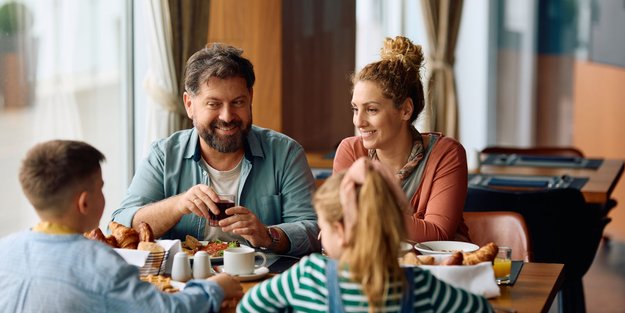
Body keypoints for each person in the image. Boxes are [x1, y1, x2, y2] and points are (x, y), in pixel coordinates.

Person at [113, 43, 319, 256]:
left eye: (238, 102)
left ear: (250, 98)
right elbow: (122, 226)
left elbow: (314, 231)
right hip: (184, 282)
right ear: (189, 104)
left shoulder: (285, 153)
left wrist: (268, 235)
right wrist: (178, 205)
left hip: (266, 281)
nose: (227, 116)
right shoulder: (164, 155)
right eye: (213, 104)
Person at [0, 140, 243, 313]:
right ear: (84, 202)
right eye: (101, 188)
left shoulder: (5, 250)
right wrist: (214, 288)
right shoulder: (99, 263)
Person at [237, 158, 493, 312]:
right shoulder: (422, 285)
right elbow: (481, 309)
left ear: (339, 230)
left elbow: (248, 308)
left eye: (323, 227)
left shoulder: (308, 276)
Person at [333, 36, 469, 242]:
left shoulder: (446, 154)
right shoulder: (350, 151)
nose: (358, 121)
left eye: (371, 109)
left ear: (405, 110)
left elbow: (437, 235)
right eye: (355, 109)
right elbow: (340, 227)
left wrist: (362, 212)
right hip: (371, 271)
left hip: (435, 270)